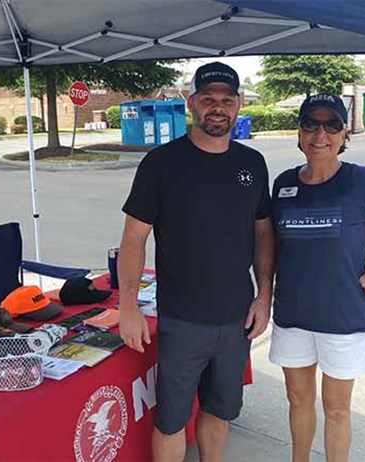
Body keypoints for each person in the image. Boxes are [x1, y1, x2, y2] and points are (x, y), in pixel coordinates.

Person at [117, 61, 275, 462]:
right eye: (208, 99)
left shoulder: (252, 164)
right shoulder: (162, 163)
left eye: (226, 100)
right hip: (182, 321)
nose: (217, 108)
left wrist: (264, 297)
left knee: (219, 411)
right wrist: (128, 307)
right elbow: (134, 239)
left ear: (238, 105)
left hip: (236, 317)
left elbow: (262, 233)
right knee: (170, 420)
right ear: (191, 103)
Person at [268, 93, 365, 462]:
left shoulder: (362, 182)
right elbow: (272, 246)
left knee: (336, 408)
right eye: (311, 123)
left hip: (343, 317)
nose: (320, 134)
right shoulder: (284, 184)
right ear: (299, 132)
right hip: (293, 315)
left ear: (344, 135)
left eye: (331, 125)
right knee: (297, 400)